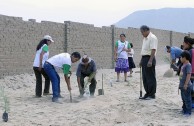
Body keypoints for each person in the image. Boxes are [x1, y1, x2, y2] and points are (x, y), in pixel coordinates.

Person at [139, 25, 158, 100]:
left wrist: (150, 61)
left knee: (150, 77)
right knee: (145, 77)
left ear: (146, 30)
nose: (141, 34)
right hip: (144, 58)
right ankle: (147, 93)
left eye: (142, 32)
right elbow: (144, 50)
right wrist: (141, 60)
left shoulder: (152, 37)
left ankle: (152, 94)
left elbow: (153, 50)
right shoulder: (144, 38)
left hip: (150, 58)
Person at [179, 51, 192, 116]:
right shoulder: (183, 65)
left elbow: (189, 74)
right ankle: (184, 109)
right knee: (183, 98)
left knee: (187, 99)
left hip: (186, 86)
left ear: (185, 58)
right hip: (182, 86)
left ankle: (188, 111)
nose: (180, 59)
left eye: (181, 57)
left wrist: (186, 84)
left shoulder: (188, 65)